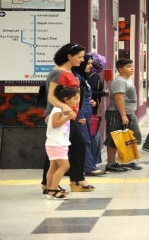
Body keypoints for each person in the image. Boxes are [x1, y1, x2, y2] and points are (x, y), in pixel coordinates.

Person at [40, 43, 95, 193]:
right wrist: (65, 108)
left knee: (58, 148)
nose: (82, 60)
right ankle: (74, 180)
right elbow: (51, 96)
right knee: (75, 145)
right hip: (58, 115)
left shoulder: (69, 71)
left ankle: (50, 182)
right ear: (69, 56)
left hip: (69, 115)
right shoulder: (58, 72)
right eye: (79, 57)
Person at [104, 59, 143, 172]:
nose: (132, 68)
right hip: (117, 114)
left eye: (132, 66)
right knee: (114, 138)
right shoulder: (120, 81)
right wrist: (123, 115)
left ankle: (128, 160)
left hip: (129, 113)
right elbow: (118, 98)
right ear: (120, 69)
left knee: (132, 137)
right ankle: (110, 164)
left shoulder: (128, 79)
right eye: (128, 66)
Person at [72, 55, 107, 176]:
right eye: (88, 63)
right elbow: (74, 98)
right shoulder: (76, 76)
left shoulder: (82, 77)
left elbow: (83, 96)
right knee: (85, 141)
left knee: (87, 140)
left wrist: (89, 101)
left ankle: (87, 165)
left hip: (86, 112)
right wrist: (79, 115)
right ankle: (88, 167)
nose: (90, 66)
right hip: (81, 115)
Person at [43, 85, 80, 200]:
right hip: (57, 143)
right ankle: (53, 190)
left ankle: (48, 188)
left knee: (53, 167)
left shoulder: (57, 109)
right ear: (66, 99)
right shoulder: (59, 110)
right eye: (75, 98)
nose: (77, 101)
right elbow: (54, 124)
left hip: (55, 142)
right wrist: (67, 118)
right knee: (65, 166)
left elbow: (47, 120)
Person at [86, 52, 109, 166]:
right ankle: (93, 162)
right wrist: (104, 93)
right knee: (95, 136)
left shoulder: (83, 75)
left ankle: (92, 162)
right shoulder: (94, 76)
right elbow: (90, 92)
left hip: (88, 108)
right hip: (90, 109)